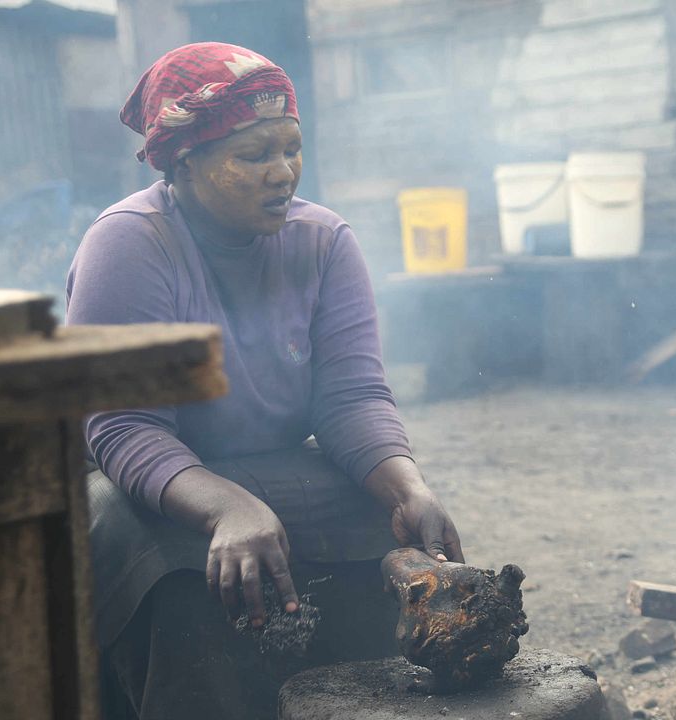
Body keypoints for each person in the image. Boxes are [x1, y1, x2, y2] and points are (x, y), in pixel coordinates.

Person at [66, 42, 463, 720]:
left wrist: (406, 483)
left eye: (292, 148)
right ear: (183, 163)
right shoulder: (130, 243)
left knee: (388, 529)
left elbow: (350, 398)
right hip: (141, 480)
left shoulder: (324, 241)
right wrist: (228, 510)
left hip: (270, 466)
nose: (283, 173)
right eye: (253, 156)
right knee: (181, 571)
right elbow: (124, 424)